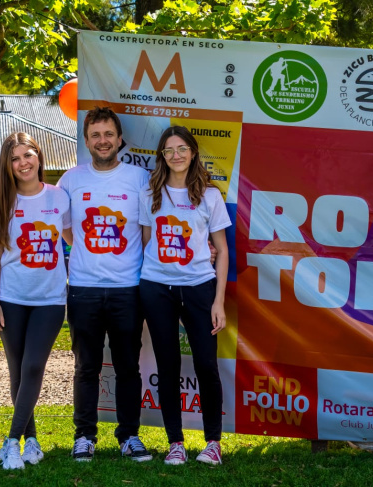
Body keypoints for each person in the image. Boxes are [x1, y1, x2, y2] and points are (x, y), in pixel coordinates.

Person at [57, 107, 152, 462]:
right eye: (95, 135)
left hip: (128, 289)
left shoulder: (139, 178)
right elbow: (67, 231)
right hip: (83, 288)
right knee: (86, 367)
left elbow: (146, 233)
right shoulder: (70, 180)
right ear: (86, 141)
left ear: (120, 138)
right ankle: (84, 436)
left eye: (108, 134)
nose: (103, 141)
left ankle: (129, 436)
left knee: (128, 367)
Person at [138, 126, 230, 465]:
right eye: (168, 150)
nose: (175, 155)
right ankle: (175, 442)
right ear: (162, 156)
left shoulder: (210, 195)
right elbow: (146, 241)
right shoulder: (150, 193)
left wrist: (218, 301)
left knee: (206, 364)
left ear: (193, 152)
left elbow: (222, 250)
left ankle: (213, 443)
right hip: (156, 288)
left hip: (199, 288)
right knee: (167, 365)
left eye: (181, 149)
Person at [0, 133, 70, 470]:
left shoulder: (59, 197)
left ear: (38, 156)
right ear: (8, 166)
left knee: (33, 366)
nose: (23, 163)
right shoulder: (1, 204)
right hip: (11, 299)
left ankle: (11, 442)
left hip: (50, 299)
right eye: (15, 159)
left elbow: (73, 238)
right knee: (17, 371)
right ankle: (31, 441)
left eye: (27, 155)